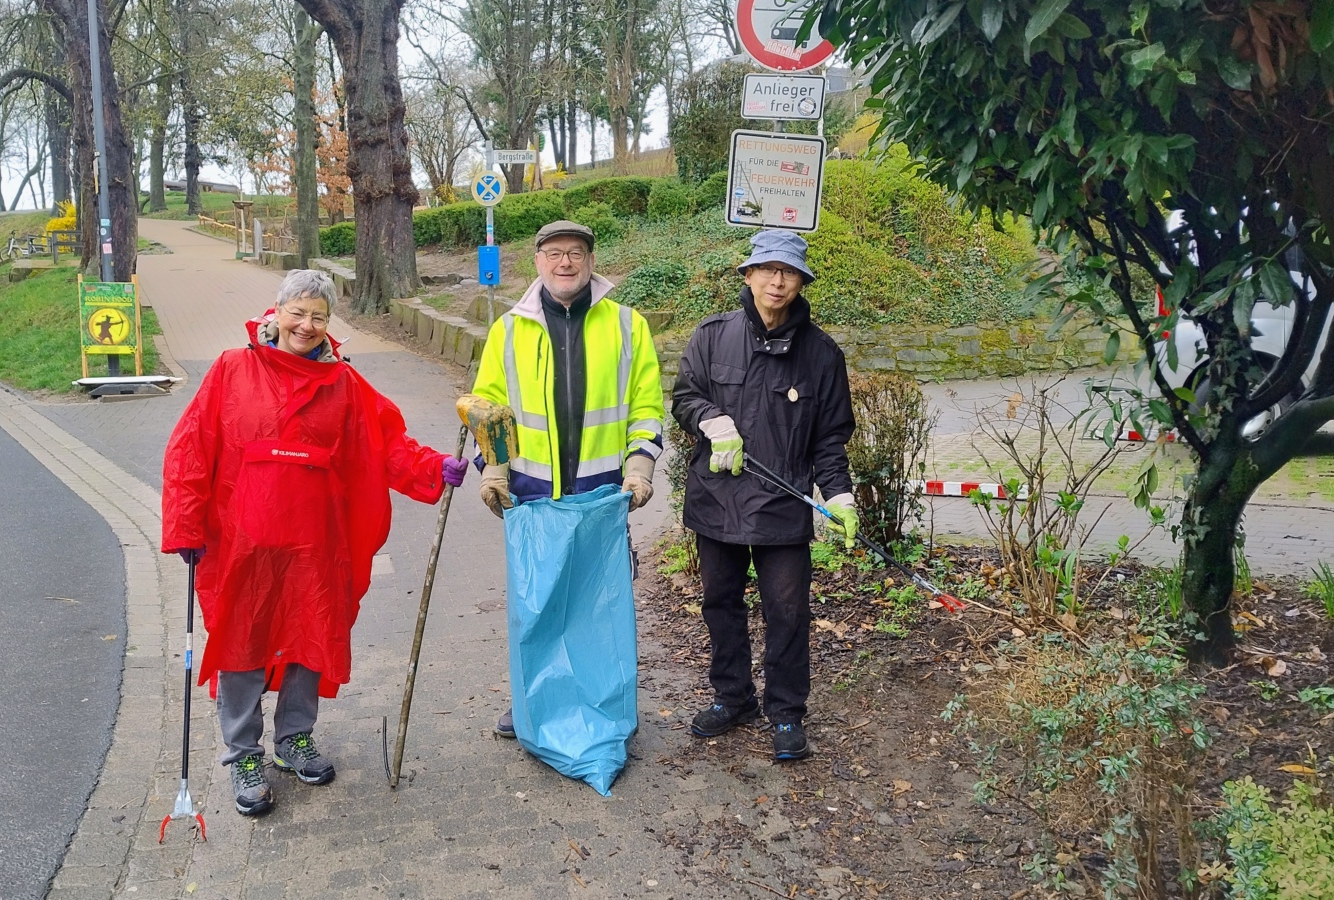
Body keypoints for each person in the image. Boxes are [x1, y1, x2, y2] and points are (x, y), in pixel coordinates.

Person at [161, 269, 468, 816]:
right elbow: (190, 448)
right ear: (276, 312)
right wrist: (185, 525)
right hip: (242, 544)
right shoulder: (233, 369)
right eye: (297, 312)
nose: (306, 325)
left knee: (310, 636)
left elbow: (384, 443)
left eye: (318, 316)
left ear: (329, 324)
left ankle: (293, 739)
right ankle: (242, 754)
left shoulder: (345, 385)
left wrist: (434, 467)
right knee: (241, 641)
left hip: (314, 543)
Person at [470, 219, 665, 738]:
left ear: (591, 261)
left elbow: (647, 406)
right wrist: (493, 468)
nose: (565, 262)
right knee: (537, 604)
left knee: (596, 602)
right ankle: (533, 699)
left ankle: (596, 698)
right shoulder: (508, 329)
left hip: (602, 491)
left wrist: (641, 466)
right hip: (532, 494)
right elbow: (488, 408)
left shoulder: (628, 325)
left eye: (575, 253)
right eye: (554, 253)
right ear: (537, 262)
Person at [670, 229, 858, 762]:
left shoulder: (822, 355)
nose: (778, 281)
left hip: (782, 507)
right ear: (748, 275)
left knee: (787, 610)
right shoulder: (711, 336)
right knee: (720, 604)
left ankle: (786, 713)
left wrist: (839, 496)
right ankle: (733, 698)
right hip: (717, 501)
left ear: (801, 282)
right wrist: (711, 420)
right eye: (768, 269)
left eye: (789, 272)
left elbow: (829, 438)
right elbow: (686, 396)